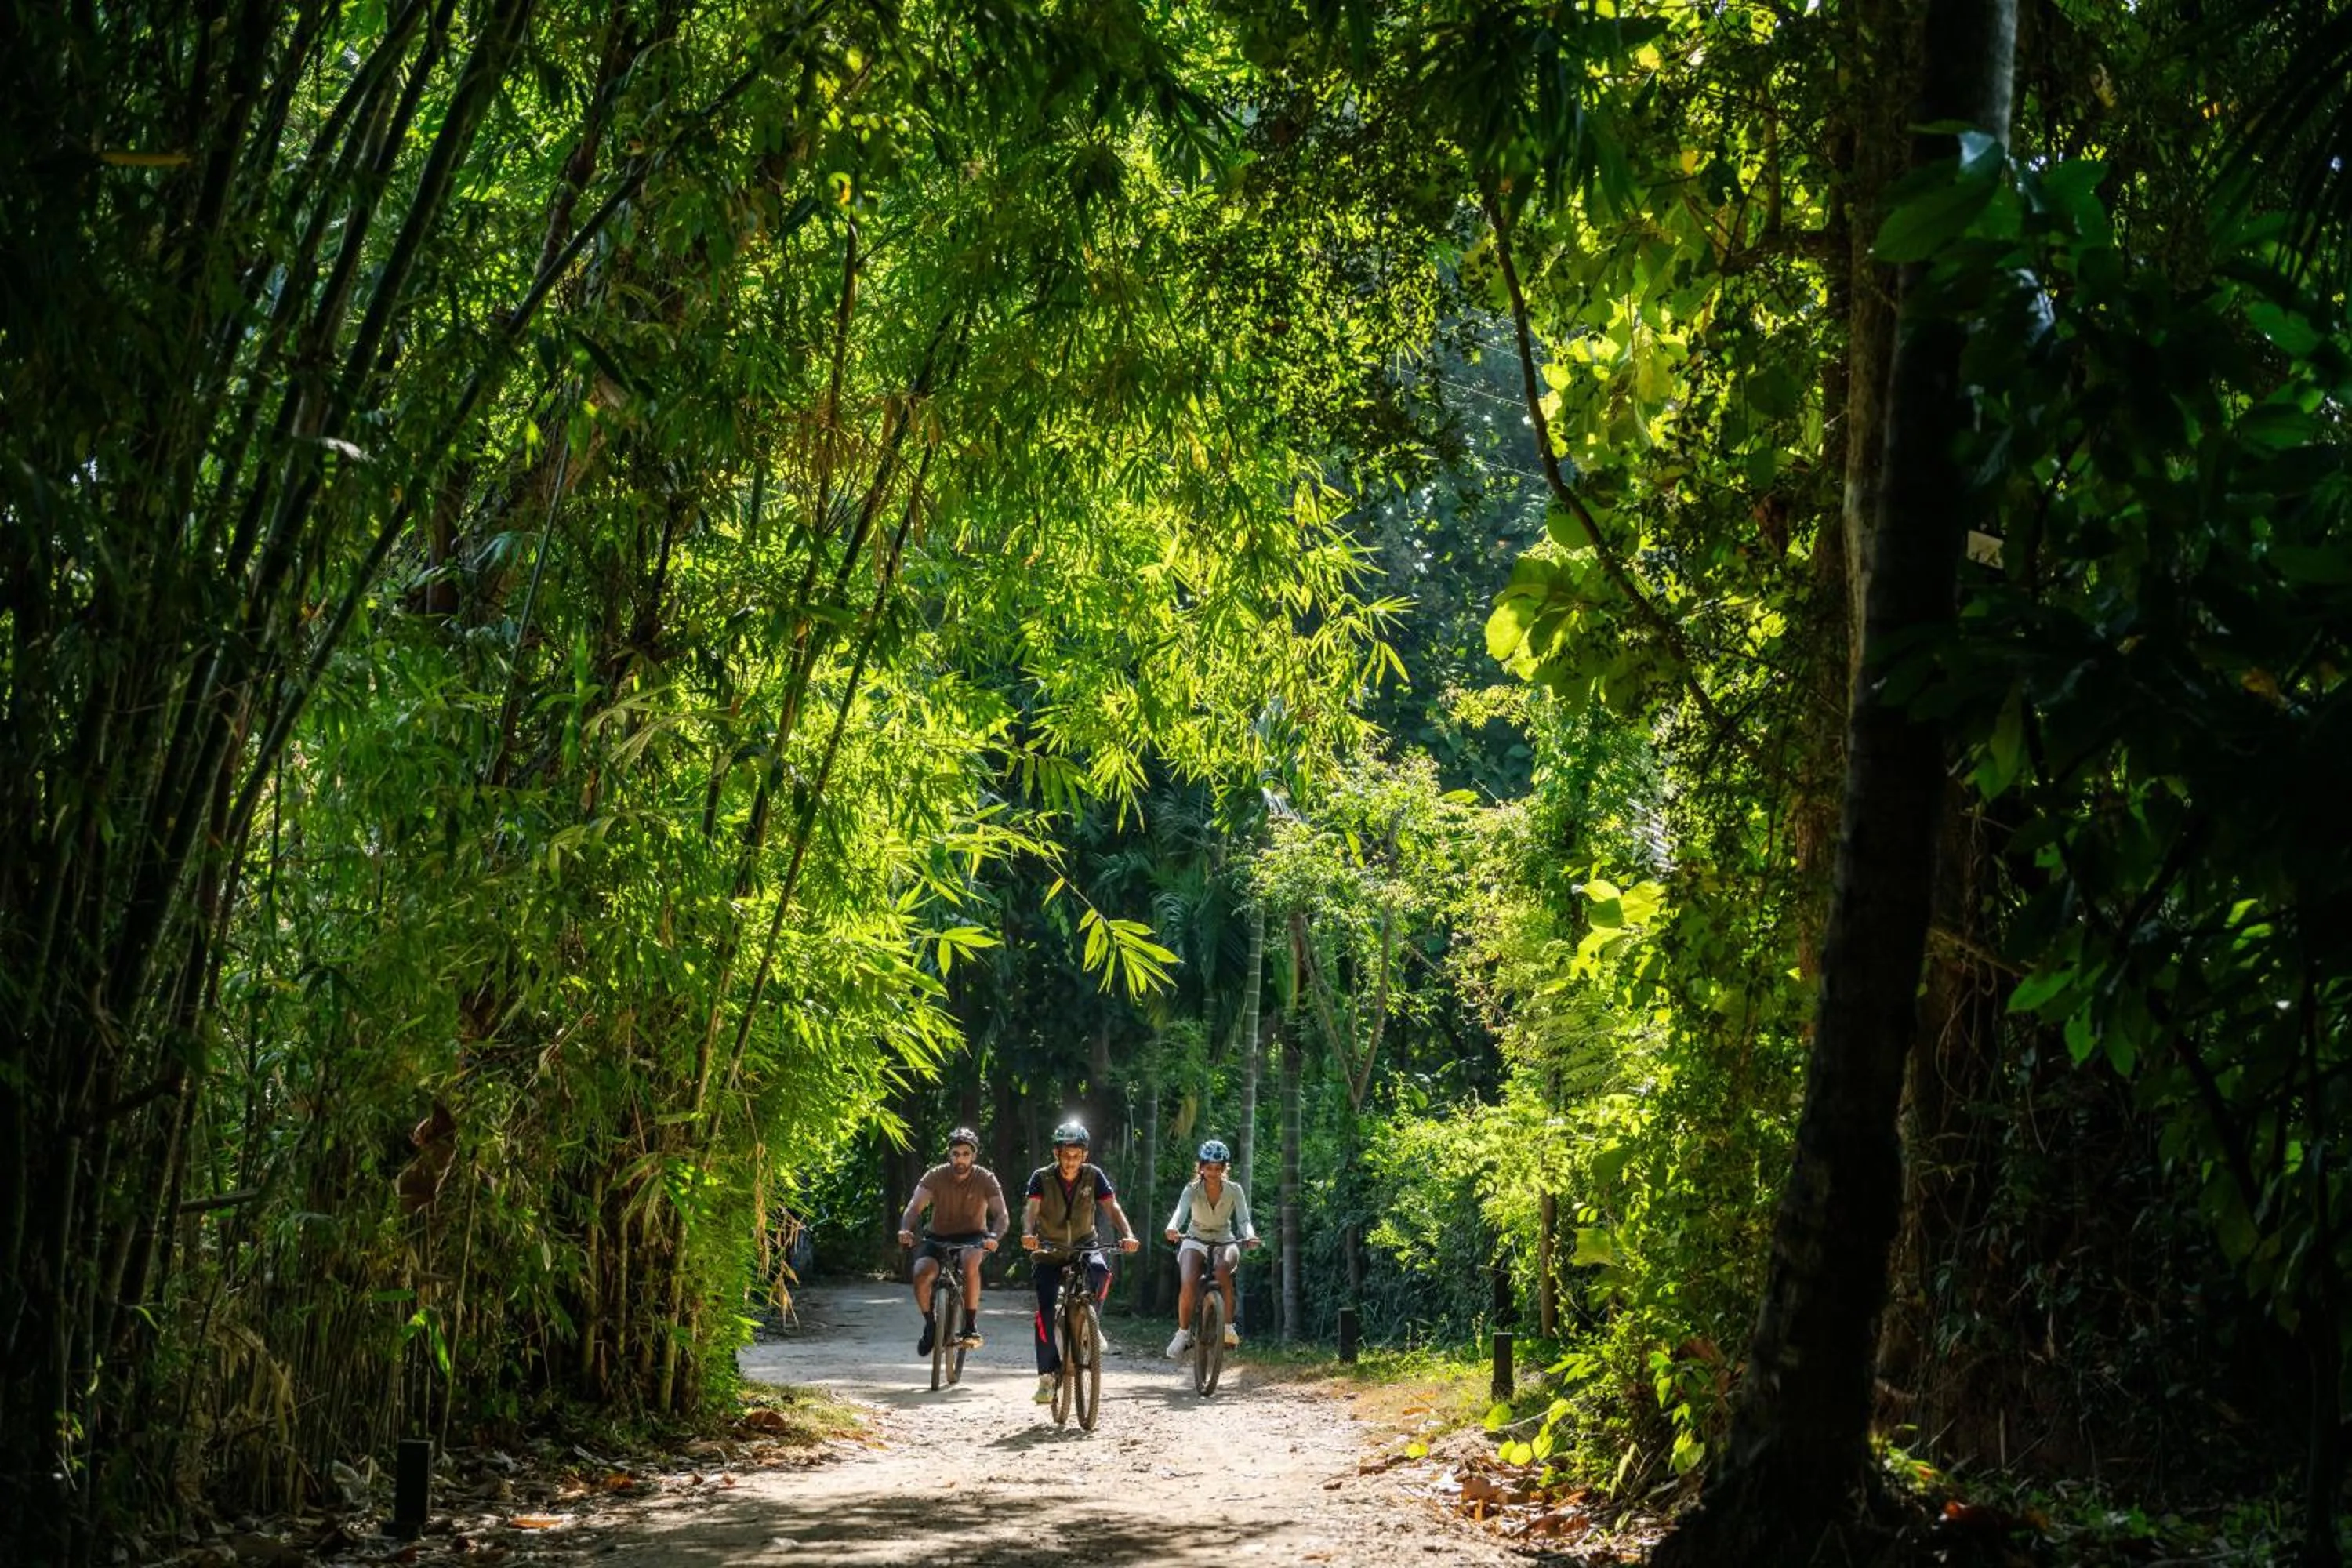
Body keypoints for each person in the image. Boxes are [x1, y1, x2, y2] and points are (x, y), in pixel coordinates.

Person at [1018, 1120, 1141, 1403]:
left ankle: (1091, 1322)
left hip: (1085, 1244)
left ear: (1084, 1155)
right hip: (1049, 1248)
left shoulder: (1093, 1176)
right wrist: (1028, 1234)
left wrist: (1128, 1234)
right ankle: (1047, 1378)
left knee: (1100, 1271)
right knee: (1045, 1311)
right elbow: (1031, 1209)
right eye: (1066, 1154)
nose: (1071, 1161)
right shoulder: (1042, 1177)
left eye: (1077, 1155)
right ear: (1056, 1153)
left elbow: (1111, 1207)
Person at [896, 1127, 1008, 1358]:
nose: (961, 1159)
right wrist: (906, 1229)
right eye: (956, 1153)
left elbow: (1001, 1215)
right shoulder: (936, 1175)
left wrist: (994, 1237)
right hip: (937, 1237)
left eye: (966, 1154)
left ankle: (970, 1326)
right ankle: (930, 1325)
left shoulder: (985, 1178)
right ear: (949, 1154)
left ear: (974, 1155)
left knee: (970, 1262)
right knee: (921, 1273)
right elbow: (914, 1207)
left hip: (973, 1237)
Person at [1162, 1138, 1260, 1358]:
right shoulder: (1192, 1189)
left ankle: (1228, 1328)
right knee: (1188, 1281)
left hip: (1225, 1239)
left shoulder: (1235, 1190)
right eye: (1209, 1168)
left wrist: (1250, 1235)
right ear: (1201, 1168)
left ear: (1225, 1169)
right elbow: (1180, 1211)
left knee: (1223, 1270)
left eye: (1218, 1168)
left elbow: (1244, 1220)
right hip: (1195, 1237)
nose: (1213, 1173)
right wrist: (1172, 1227)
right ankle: (1183, 1333)